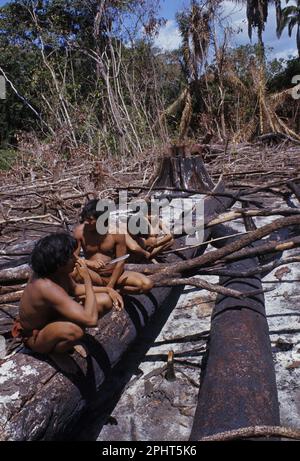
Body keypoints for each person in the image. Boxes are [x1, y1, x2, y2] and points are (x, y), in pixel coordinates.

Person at [12, 233, 123, 356]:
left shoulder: (55, 271)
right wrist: (86, 278)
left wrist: (107, 290)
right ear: (59, 263)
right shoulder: (46, 286)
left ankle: (63, 340)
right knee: (74, 331)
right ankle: (56, 352)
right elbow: (91, 320)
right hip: (37, 335)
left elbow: (74, 289)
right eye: (71, 257)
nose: (76, 260)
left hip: (52, 321)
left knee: (104, 300)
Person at [73, 199, 153, 294]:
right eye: (85, 218)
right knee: (73, 272)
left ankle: (115, 290)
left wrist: (110, 285)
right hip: (92, 274)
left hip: (114, 274)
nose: (86, 222)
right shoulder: (80, 232)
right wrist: (89, 263)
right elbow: (73, 257)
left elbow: (121, 261)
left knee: (147, 284)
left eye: (90, 220)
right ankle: (100, 289)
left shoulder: (116, 232)